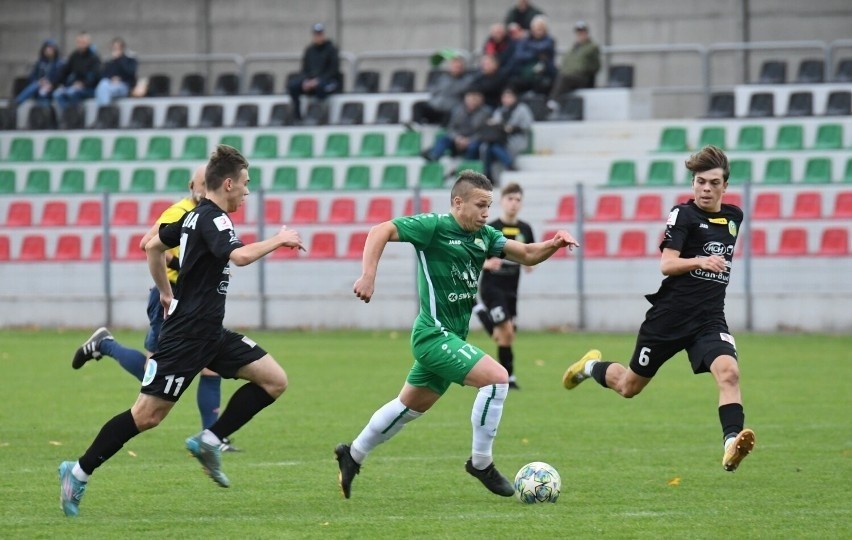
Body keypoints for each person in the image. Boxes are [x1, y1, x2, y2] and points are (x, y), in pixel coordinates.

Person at [58, 145, 304, 517]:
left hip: (210, 333)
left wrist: (166, 292)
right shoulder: (215, 219)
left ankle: (210, 439)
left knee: (274, 380)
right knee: (146, 416)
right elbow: (237, 256)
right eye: (245, 184)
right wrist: (280, 238)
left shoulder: (193, 217)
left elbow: (151, 245)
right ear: (227, 183)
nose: (247, 192)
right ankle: (77, 472)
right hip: (187, 336)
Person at [334, 170, 579, 499]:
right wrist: (368, 276)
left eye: (489, 206)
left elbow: (528, 254)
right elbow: (381, 230)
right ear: (458, 202)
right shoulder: (433, 227)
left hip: (452, 338)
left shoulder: (486, 236)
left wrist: (553, 244)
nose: (486, 213)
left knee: (407, 408)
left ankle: (353, 454)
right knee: (497, 379)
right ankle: (481, 463)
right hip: (433, 334)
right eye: (480, 205)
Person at [561, 145, 756, 473]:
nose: (706, 188)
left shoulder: (734, 217)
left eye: (713, 182)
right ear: (692, 184)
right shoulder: (683, 215)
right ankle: (589, 366)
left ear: (725, 186)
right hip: (668, 319)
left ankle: (730, 443)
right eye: (699, 182)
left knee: (729, 373)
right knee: (628, 388)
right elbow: (667, 264)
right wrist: (700, 260)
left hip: (709, 319)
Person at [70, 166, 238, 452]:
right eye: (199, 185)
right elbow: (148, 243)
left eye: (206, 185)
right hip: (171, 299)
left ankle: (212, 438)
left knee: (210, 369)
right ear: (192, 186)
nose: (203, 190)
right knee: (154, 375)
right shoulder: (180, 212)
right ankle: (106, 345)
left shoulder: (211, 216)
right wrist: (182, 268)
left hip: (194, 303)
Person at [472, 183, 534, 390]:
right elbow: (472, 255)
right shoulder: (490, 229)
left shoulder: (525, 229)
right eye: (510, 199)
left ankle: (479, 310)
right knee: (506, 330)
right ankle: (508, 378)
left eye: (518, 200)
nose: (514, 204)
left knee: (505, 335)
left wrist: (530, 263)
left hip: (512, 289)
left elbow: (530, 256)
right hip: (492, 288)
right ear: (501, 202)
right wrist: (486, 263)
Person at [287, 23, 342, 122]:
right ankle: (297, 117)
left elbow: (333, 70)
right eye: (316, 34)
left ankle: (317, 116)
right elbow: (304, 69)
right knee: (293, 86)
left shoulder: (331, 50)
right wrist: (305, 81)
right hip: (311, 81)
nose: (318, 36)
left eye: (320, 34)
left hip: (327, 81)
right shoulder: (309, 50)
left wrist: (317, 80)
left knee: (320, 87)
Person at [477, 86, 533, 180]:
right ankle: (505, 166)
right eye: (504, 97)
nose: (506, 100)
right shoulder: (500, 110)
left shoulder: (522, 109)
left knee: (493, 147)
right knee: (488, 147)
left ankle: (491, 173)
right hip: (500, 138)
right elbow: (496, 123)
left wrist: (512, 128)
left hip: (516, 138)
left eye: (509, 97)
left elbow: (527, 125)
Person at [422, 89, 491, 162]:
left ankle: (467, 165)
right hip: (458, 138)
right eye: (470, 99)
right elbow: (451, 128)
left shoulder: (485, 113)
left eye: (474, 100)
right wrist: (457, 138)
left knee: (473, 146)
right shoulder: (457, 110)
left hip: (474, 139)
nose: (472, 102)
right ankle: (434, 157)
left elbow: (484, 131)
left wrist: (469, 140)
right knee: (443, 139)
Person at [411, 55, 475, 126]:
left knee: (452, 114)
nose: (456, 68)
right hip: (435, 107)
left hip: (450, 110)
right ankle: (416, 127)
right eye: (454, 66)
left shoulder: (467, 80)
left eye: (458, 67)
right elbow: (434, 89)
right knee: (417, 106)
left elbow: (461, 92)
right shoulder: (443, 78)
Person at [504, 15, 557, 97]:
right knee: (511, 82)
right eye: (535, 29)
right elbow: (519, 55)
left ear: (545, 29)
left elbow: (544, 47)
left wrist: (529, 47)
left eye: (540, 29)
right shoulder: (526, 40)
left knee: (545, 84)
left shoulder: (549, 40)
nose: (537, 31)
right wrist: (535, 53)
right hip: (527, 74)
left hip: (544, 74)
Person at [550, 21, 601, 99]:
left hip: (582, 77)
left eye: (582, 32)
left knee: (564, 78)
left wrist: (584, 69)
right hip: (570, 75)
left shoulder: (592, 47)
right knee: (553, 77)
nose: (580, 35)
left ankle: (553, 100)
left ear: (586, 33)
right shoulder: (573, 48)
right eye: (579, 33)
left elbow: (596, 65)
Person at [52, 31, 101, 112]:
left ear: (88, 42)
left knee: (73, 93)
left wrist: (83, 84)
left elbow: (95, 76)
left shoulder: (94, 58)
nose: (81, 44)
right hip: (74, 86)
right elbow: (65, 71)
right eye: (79, 42)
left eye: (83, 42)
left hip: (89, 88)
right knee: (58, 94)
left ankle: (76, 116)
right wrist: (58, 84)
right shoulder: (74, 56)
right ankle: (67, 115)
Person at [13, 39, 64, 107]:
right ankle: (17, 102)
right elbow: (32, 77)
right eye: (48, 49)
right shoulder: (40, 63)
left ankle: (18, 101)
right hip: (39, 87)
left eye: (51, 49)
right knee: (36, 86)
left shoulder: (60, 64)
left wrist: (50, 84)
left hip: (52, 88)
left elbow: (60, 78)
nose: (49, 51)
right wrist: (40, 82)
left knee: (43, 94)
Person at [94, 37, 138, 106]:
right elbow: (104, 74)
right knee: (103, 84)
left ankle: (104, 111)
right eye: (114, 48)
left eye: (118, 48)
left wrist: (120, 59)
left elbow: (130, 72)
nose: (116, 50)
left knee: (105, 90)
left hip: (124, 85)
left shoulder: (130, 60)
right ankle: (104, 109)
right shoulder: (110, 62)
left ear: (123, 49)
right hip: (110, 84)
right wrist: (112, 79)